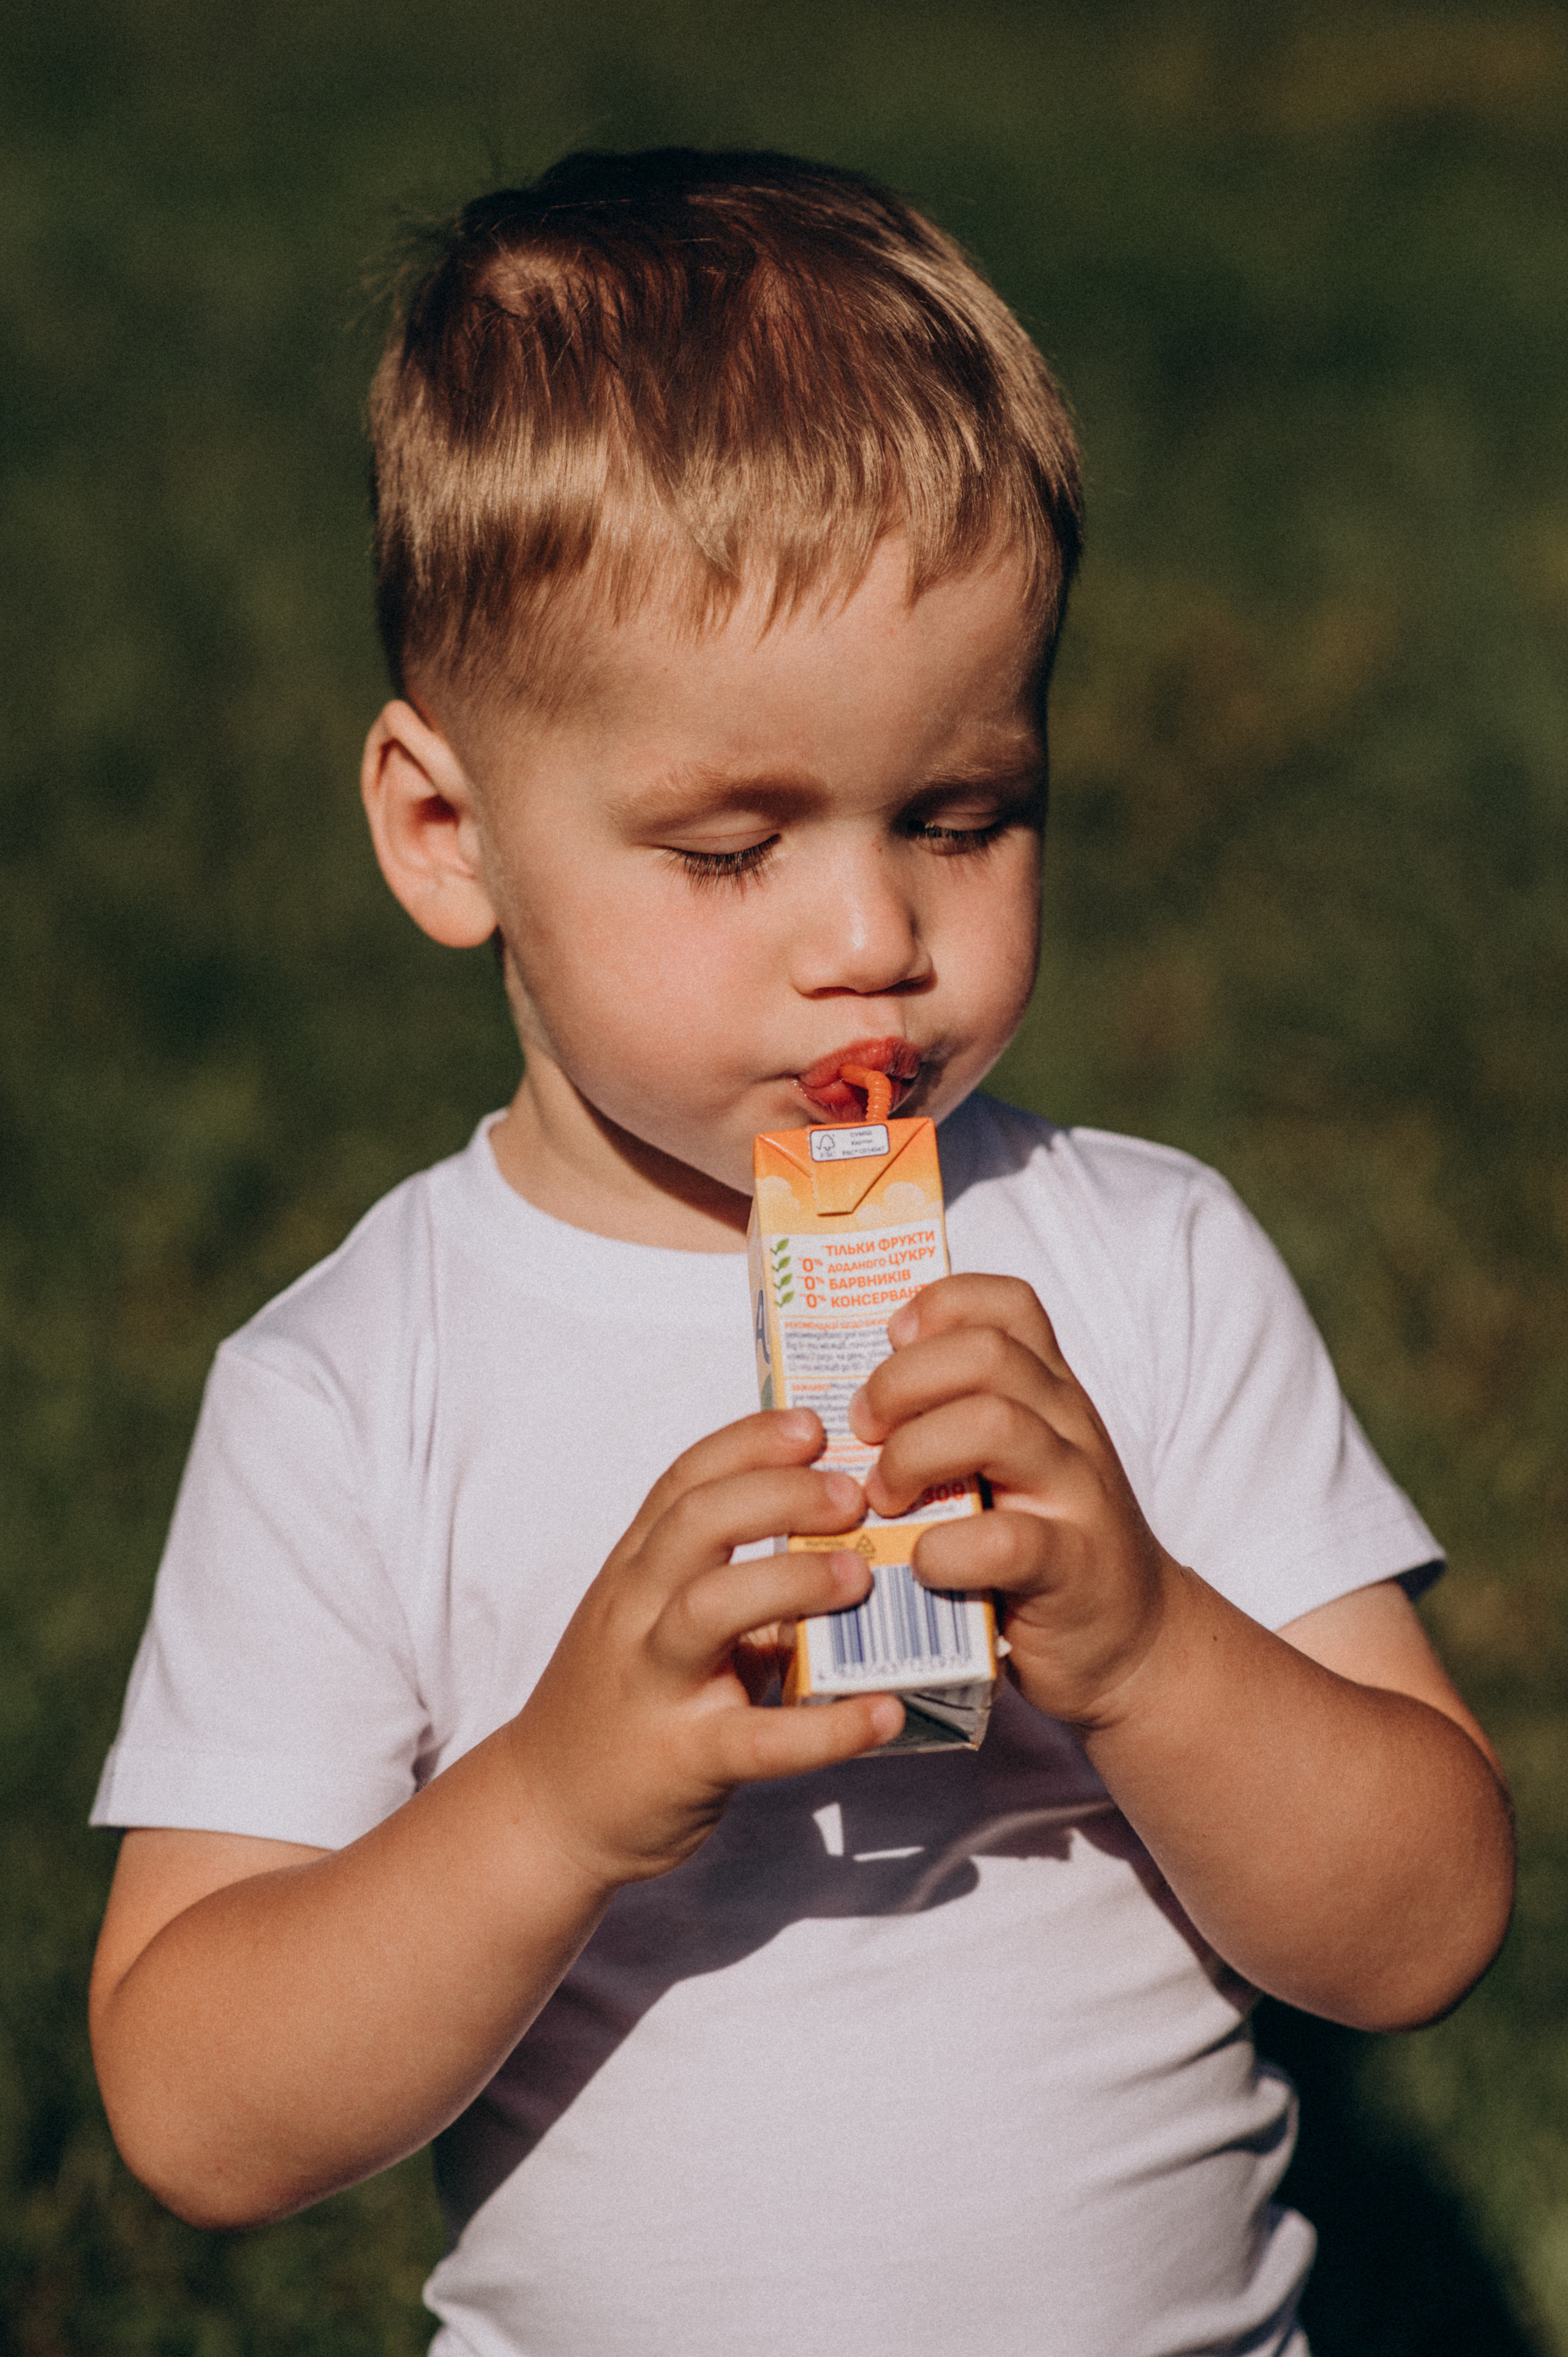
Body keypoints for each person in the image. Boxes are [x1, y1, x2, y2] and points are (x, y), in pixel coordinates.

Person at [86, 148, 1513, 2357]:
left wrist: (1148, 1646)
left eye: (962, 815)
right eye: (734, 844)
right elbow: (194, 2106)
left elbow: (1424, 1923)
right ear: (445, 832)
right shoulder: (364, 1376)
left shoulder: (1140, 1261)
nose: (875, 942)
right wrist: (555, 1798)